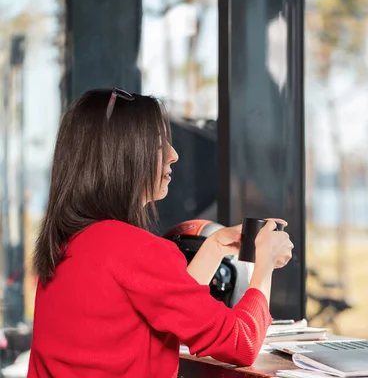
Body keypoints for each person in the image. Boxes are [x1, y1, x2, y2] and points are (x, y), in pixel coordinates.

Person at [27, 88, 294, 377]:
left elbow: (164, 308)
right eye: (157, 145)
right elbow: (241, 344)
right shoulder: (135, 248)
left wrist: (215, 246)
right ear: (122, 158)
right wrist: (264, 263)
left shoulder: (67, 243)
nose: (174, 154)